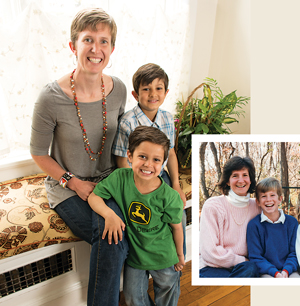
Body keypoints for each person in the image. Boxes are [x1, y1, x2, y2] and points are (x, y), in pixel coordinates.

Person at [30, 8, 128, 305]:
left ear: (112, 48)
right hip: (67, 187)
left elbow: (123, 145)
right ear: (73, 46)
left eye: (104, 41)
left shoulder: (119, 89)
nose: (96, 49)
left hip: (109, 183)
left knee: (129, 231)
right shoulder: (51, 97)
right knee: (113, 238)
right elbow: (37, 153)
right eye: (88, 39)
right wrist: (74, 182)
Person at [88, 126, 184, 306]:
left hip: (164, 256)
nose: (148, 164)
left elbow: (177, 228)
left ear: (163, 163)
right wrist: (109, 214)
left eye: (156, 160)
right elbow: (94, 196)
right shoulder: (119, 178)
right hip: (136, 258)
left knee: (167, 291)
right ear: (130, 156)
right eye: (142, 157)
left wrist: (180, 255)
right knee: (133, 297)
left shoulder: (170, 197)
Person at [112, 63, 187, 256]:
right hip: (136, 179)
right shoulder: (128, 122)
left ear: (166, 92)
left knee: (177, 210)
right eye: (146, 89)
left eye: (158, 88)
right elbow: (122, 160)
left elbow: (170, 153)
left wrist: (176, 185)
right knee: (146, 216)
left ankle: (177, 257)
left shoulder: (168, 119)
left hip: (160, 176)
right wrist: (136, 191)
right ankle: (146, 257)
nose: (153, 94)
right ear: (136, 95)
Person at [199, 156, 260, 278]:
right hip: (213, 266)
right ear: (227, 181)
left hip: (245, 268)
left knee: (251, 269)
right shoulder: (213, 206)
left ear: (251, 179)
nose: (241, 180)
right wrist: (243, 260)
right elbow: (210, 252)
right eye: (235, 176)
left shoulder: (258, 207)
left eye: (245, 175)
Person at [247, 177, 300, 278]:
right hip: (266, 272)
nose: (268, 200)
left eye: (272, 195)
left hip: (289, 270)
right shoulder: (254, 225)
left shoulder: (292, 223)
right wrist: (274, 272)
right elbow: (256, 257)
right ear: (257, 201)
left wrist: (286, 271)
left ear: (280, 199)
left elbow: (295, 253)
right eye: (263, 196)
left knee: (296, 283)